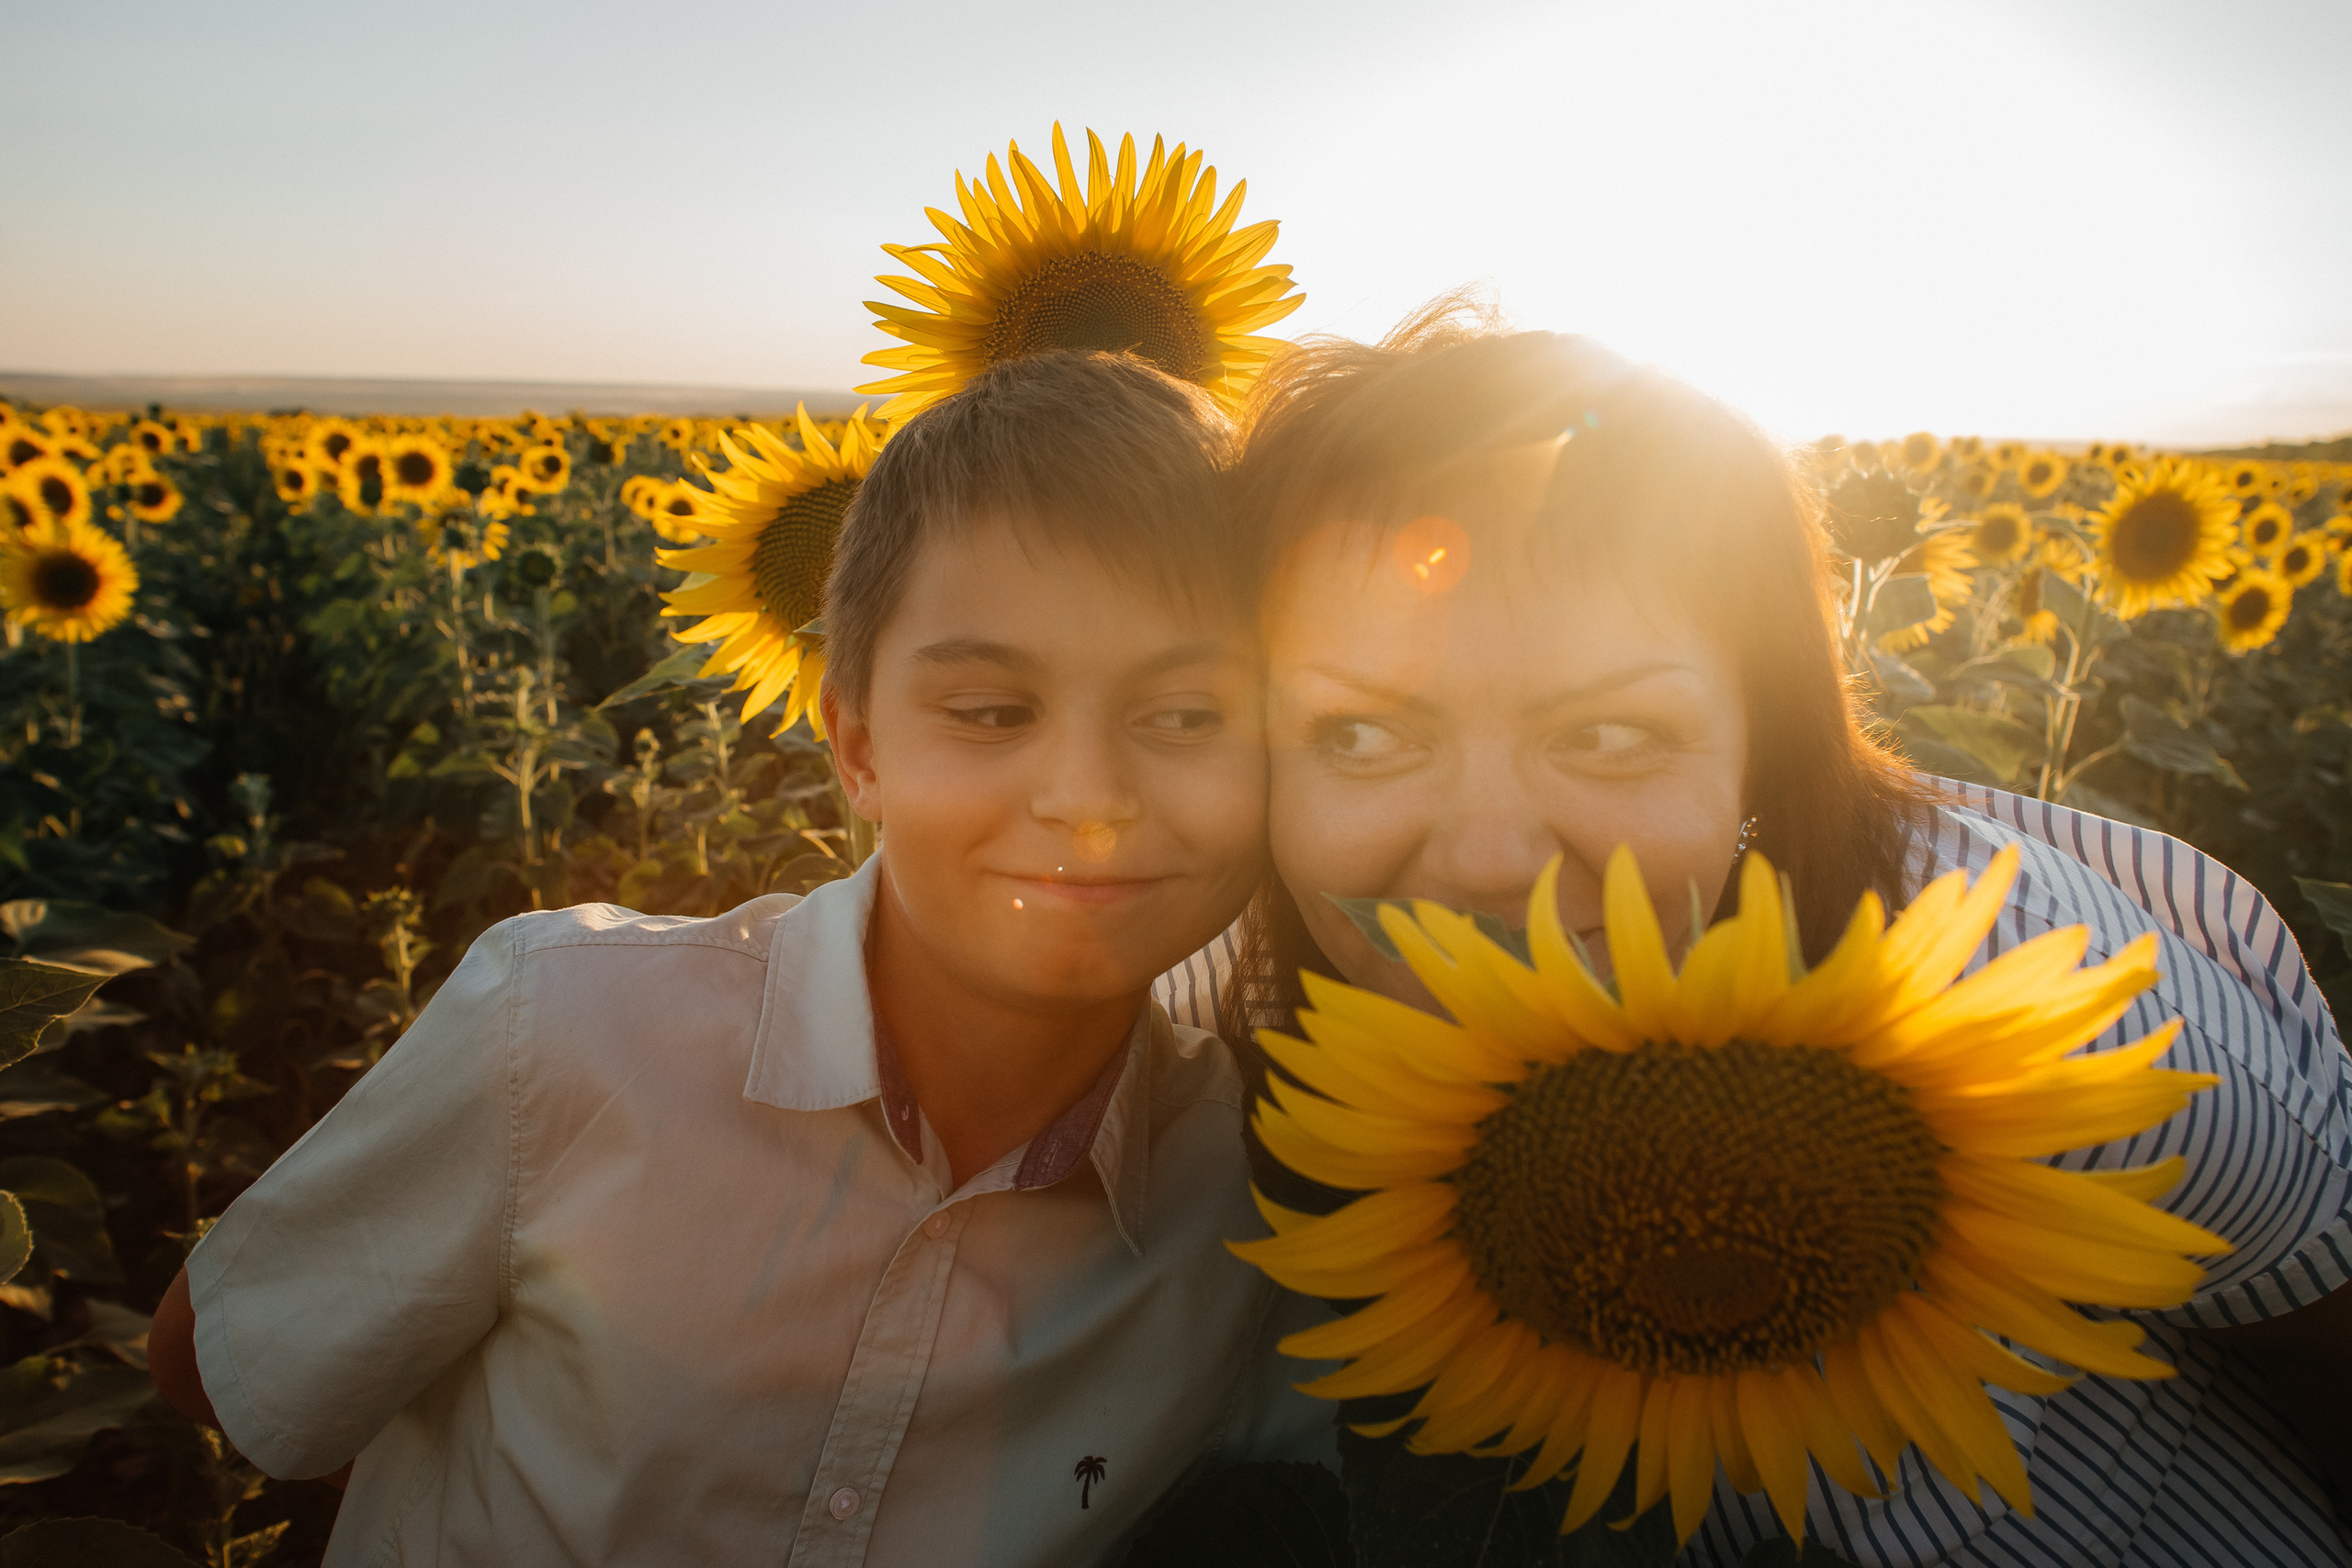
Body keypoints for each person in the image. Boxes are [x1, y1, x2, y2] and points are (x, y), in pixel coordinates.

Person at [1157, 305, 2352, 1565]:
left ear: (1761, 752)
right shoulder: (1215, 1023)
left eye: (1611, 736)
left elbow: (2322, 1328)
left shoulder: (2054, 1005)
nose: (1489, 859)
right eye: (1360, 735)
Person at [148, 350, 1333, 1567]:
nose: (1088, 801)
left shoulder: (1258, 1196)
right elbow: (229, 1369)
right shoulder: (565, 1032)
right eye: (989, 712)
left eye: (1187, 717)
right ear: (857, 748)